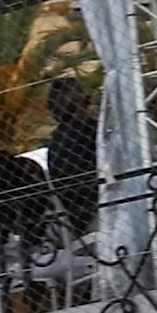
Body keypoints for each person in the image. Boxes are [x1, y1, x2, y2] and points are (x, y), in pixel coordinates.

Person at [41, 75, 101, 237]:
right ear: (75, 107)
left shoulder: (55, 143)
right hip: (98, 212)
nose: (90, 108)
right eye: (86, 102)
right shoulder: (89, 131)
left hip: (79, 218)